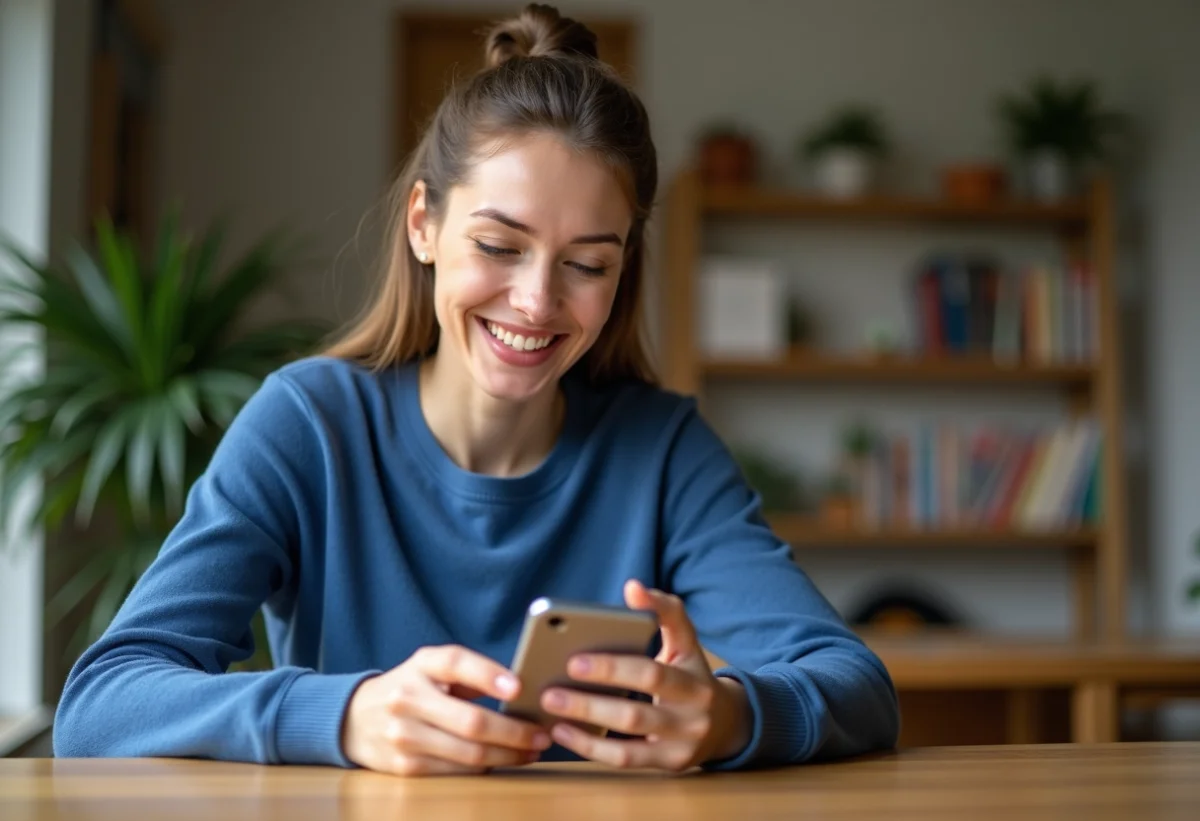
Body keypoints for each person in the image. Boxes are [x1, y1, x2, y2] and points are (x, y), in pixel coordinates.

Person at [53, 3, 899, 775]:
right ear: (425, 224)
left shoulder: (662, 447)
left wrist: (728, 715)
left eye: (587, 263)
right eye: (500, 245)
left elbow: (856, 684)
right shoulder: (309, 424)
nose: (536, 301)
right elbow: (101, 703)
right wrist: (343, 714)